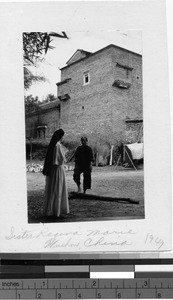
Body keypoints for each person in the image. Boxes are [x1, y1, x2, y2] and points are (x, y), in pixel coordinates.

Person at [42, 129, 69, 218]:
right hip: (58, 170)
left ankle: (52, 210)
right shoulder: (58, 146)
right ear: (60, 136)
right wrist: (66, 155)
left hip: (53, 170)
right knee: (58, 189)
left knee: (53, 189)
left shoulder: (54, 145)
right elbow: (61, 160)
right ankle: (56, 211)